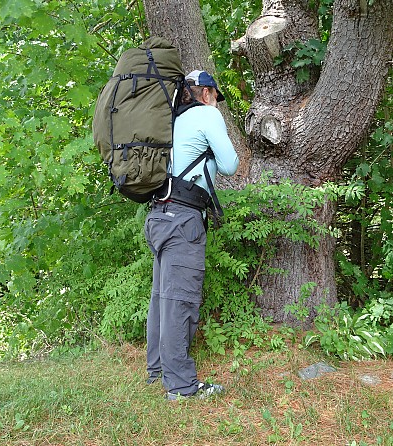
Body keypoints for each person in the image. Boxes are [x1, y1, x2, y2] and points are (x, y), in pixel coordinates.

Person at [144, 70, 239, 400]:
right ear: (207, 93)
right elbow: (230, 165)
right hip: (183, 220)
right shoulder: (207, 114)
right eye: (215, 96)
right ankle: (182, 387)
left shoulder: (168, 119)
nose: (217, 103)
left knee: (161, 299)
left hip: (158, 215)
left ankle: (156, 370)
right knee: (179, 301)